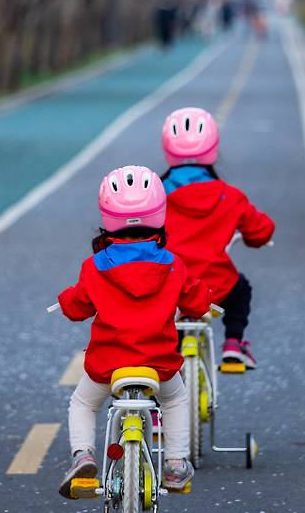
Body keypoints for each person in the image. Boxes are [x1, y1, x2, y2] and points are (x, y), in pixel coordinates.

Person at [56, 165, 211, 497]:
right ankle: (174, 463)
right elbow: (196, 303)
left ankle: (83, 456)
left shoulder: (94, 266)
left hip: (107, 364)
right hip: (159, 362)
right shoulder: (173, 263)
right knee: (175, 400)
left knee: (82, 404)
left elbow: (76, 308)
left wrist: (65, 300)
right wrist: (202, 301)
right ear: (159, 212)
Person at [160, 108, 275, 368]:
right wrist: (252, 237)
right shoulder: (229, 196)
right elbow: (261, 232)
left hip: (170, 284)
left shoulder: (155, 195)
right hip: (215, 286)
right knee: (241, 290)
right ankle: (234, 343)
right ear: (213, 147)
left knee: (156, 315)